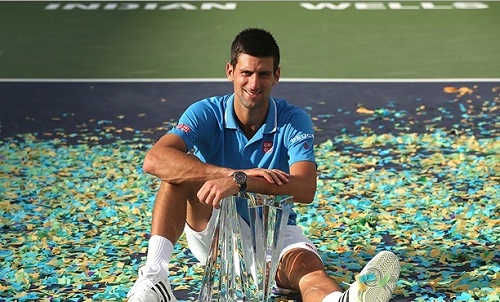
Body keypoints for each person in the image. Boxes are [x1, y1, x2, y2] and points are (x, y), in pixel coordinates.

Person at [127, 28, 400, 302]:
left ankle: (338, 301)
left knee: (308, 270)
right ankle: (154, 278)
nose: (254, 83)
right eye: (246, 73)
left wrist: (241, 183)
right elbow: (155, 159)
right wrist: (232, 175)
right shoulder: (204, 112)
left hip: (276, 230)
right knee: (177, 174)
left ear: (276, 76)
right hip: (214, 229)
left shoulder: (293, 120)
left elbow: (305, 188)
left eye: (263, 74)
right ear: (230, 71)